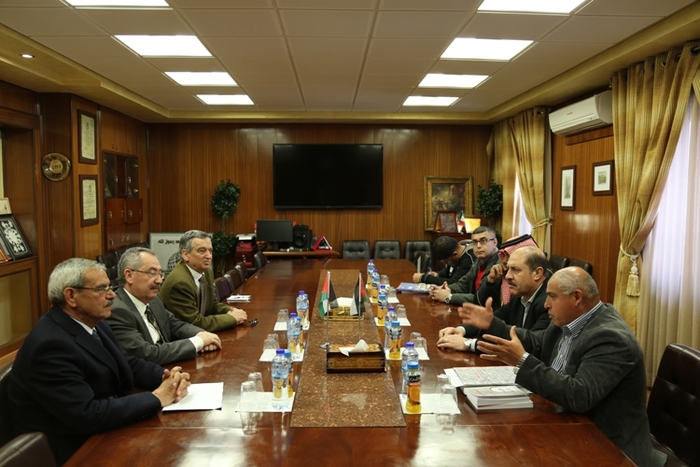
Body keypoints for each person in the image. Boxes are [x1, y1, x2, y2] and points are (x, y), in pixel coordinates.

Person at [460, 266, 666, 467]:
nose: (546, 305)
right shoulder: (568, 320)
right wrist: (492, 324)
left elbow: (579, 395)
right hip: (570, 425)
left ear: (577, 297)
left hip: (610, 447)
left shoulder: (610, 338)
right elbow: (536, 343)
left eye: (552, 296)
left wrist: (522, 360)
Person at [6, 258, 190, 465]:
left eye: (109, 287)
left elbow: (125, 362)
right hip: (75, 451)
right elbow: (88, 414)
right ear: (71, 296)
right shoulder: (50, 346)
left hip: (103, 430)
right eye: (101, 289)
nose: (112, 295)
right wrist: (156, 398)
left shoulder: (94, 322)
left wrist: (164, 377)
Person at [107, 247, 222, 365]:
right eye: (152, 273)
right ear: (129, 275)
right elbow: (147, 354)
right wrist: (198, 342)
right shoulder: (117, 311)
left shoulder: (154, 299)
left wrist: (202, 335)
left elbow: (174, 324)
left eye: (160, 273)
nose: (159, 281)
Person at [437, 246, 551, 352]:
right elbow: (490, 320)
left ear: (537, 273)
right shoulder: (521, 293)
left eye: (515, 270)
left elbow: (533, 344)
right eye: (508, 269)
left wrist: (469, 344)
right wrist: (461, 330)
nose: (508, 276)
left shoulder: (549, 302)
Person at [159, 230, 248, 331]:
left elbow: (211, 305)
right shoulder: (179, 283)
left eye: (210, 251)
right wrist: (231, 318)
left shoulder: (206, 272)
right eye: (202, 250)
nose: (209, 256)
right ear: (185, 254)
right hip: (180, 336)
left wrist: (232, 311)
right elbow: (194, 322)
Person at [429, 226, 501, 307]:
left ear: (494, 242)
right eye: (474, 242)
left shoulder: (498, 265)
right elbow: (463, 284)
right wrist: (443, 289)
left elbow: (481, 299)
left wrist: (449, 297)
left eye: (483, 241)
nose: (478, 246)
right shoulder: (478, 261)